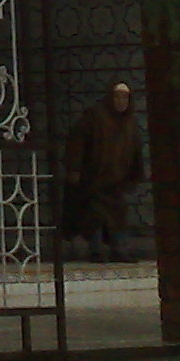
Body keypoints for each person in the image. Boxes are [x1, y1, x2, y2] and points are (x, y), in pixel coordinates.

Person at [63, 81, 147, 261]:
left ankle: (119, 250)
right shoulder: (94, 117)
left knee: (118, 216)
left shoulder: (130, 122)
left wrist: (135, 175)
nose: (121, 101)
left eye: (125, 97)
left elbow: (136, 150)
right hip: (94, 178)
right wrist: (75, 169)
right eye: (118, 96)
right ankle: (96, 250)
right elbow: (77, 142)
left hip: (117, 181)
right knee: (95, 216)